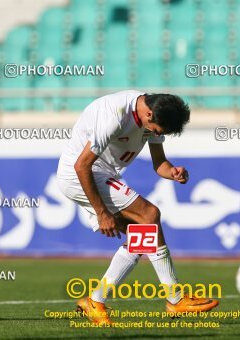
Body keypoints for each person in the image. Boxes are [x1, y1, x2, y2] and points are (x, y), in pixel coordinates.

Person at [57, 90, 219, 325]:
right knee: (150, 214)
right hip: (81, 174)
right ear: (150, 115)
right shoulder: (114, 115)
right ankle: (176, 299)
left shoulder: (151, 115)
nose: (156, 134)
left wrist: (172, 172)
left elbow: (159, 163)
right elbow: (81, 165)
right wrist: (102, 213)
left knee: (141, 235)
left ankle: (95, 301)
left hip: (101, 173)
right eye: (157, 130)